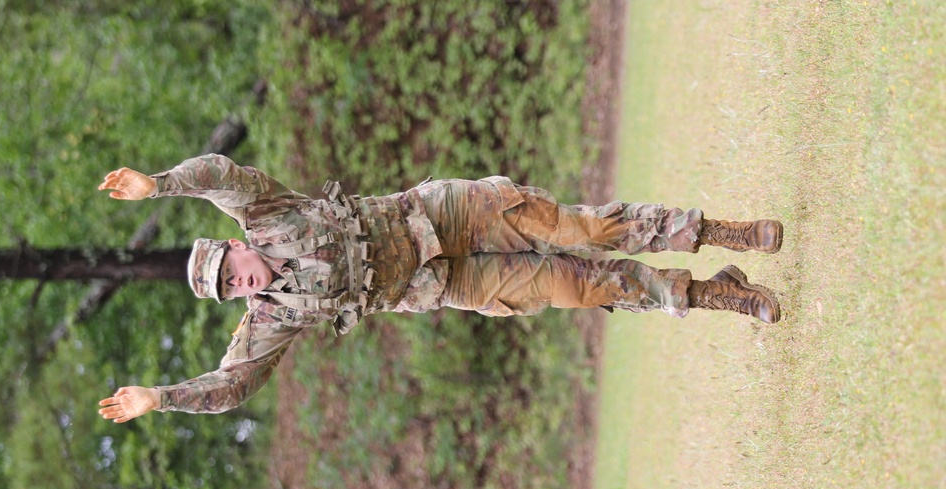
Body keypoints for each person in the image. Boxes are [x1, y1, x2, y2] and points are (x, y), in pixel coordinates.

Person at [97, 154, 783, 423]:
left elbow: (223, 174)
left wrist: (160, 185)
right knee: (577, 286)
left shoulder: (267, 214)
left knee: (579, 229)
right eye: (229, 289)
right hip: (444, 279)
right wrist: (161, 397)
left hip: (440, 212)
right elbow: (231, 387)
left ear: (236, 244)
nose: (239, 280)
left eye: (230, 266)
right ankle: (713, 294)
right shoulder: (270, 320)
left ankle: (720, 231)